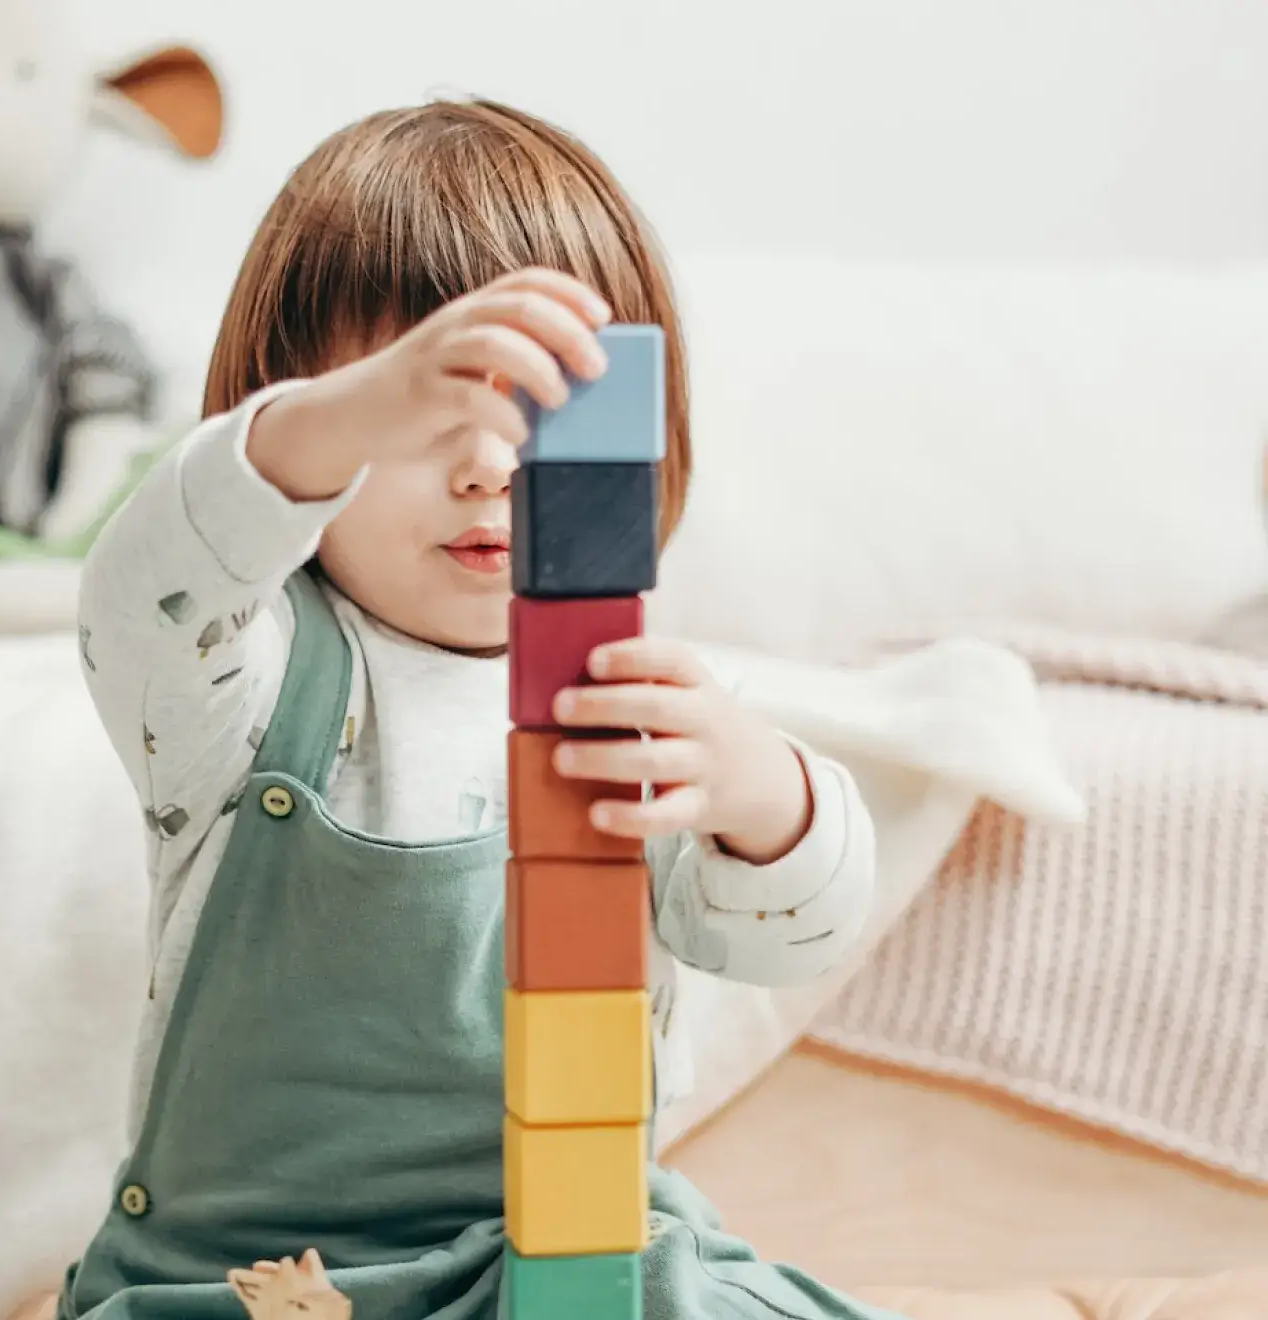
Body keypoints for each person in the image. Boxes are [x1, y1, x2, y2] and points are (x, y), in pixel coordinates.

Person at [55, 98, 892, 1320]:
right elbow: (143, 592)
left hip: (565, 1256)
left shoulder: (640, 701)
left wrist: (766, 796)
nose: (486, 465)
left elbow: (778, 940)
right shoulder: (240, 677)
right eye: (423, 419)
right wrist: (339, 418)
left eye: (543, 421)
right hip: (260, 1281)